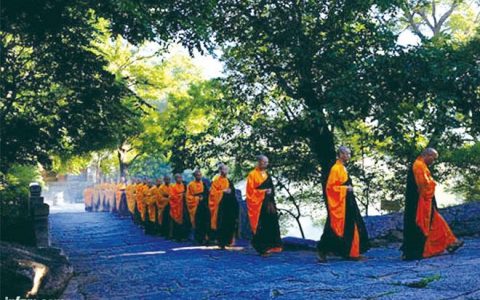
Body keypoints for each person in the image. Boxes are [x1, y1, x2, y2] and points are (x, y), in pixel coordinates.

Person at [401, 148, 464, 260]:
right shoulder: (419, 166)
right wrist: (433, 183)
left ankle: (450, 243)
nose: (433, 161)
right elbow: (423, 185)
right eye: (433, 158)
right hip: (421, 202)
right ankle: (422, 250)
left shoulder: (421, 165)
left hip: (426, 201)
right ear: (427, 155)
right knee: (427, 225)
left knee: (437, 222)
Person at [317, 146, 370, 262]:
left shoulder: (342, 168)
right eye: (347, 154)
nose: (348, 156)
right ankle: (322, 250)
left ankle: (352, 252)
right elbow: (330, 188)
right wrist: (345, 189)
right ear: (341, 154)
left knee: (352, 225)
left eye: (349, 154)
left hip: (347, 200)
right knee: (334, 227)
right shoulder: (335, 169)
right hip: (341, 202)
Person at [246, 155, 282, 255]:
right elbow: (250, 192)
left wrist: (271, 191)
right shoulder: (252, 175)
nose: (266, 164)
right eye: (264, 162)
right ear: (259, 162)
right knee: (261, 225)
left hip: (268, 202)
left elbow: (271, 187)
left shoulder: (266, 174)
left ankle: (273, 245)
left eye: (267, 162)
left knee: (272, 222)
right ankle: (262, 248)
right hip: (259, 204)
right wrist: (263, 192)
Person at [209, 164, 239, 249]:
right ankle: (221, 242)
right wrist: (222, 192)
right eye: (223, 170)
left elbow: (232, 191)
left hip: (229, 206)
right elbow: (212, 193)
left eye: (226, 170)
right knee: (221, 224)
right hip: (221, 206)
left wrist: (231, 191)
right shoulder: (216, 181)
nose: (225, 171)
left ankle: (229, 241)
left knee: (230, 223)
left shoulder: (229, 181)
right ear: (220, 171)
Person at [187, 169, 211, 244]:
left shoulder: (204, 184)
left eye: (200, 175)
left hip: (203, 206)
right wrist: (196, 198)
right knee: (197, 222)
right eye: (197, 175)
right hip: (195, 206)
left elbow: (207, 194)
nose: (199, 176)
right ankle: (198, 239)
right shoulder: (190, 185)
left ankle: (205, 238)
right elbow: (188, 197)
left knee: (204, 222)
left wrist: (203, 197)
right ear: (194, 176)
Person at [169, 174, 189, 241]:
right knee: (176, 222)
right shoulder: (173, 186)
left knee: (185, 221)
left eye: (180, 177)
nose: (179, 179)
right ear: (175, 179)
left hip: (183, 206)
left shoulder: (184, 185)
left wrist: (184, 195)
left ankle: (185, 236)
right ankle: (177, 237)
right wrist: (181, 195)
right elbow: (172, 196)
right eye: (178, 178)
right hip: (176, 207)